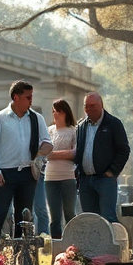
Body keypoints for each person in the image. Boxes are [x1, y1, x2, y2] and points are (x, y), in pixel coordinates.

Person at [0, 80, 52, 263]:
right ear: (16, 97)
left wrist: (39, 153)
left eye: (31, 97)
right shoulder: (0, 118)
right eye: (27, 97)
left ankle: (20, 260)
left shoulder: (36, 118)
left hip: (27, 173)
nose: (31, 101)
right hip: (5, 174)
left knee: (24, 217)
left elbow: (47, 142)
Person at [74, 92, 130, 222]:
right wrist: (78, 171)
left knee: (108, 218)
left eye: (93, 106)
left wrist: (113, 171)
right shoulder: (81, 126)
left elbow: (124, 150)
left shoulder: (113, 124)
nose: (89, 109)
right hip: (85, 181)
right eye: (86, 106)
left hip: (105, 180)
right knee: (90, 220)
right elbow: (79, 150)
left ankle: (114, 242)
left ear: (101, 105)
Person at [44, 99, 79, 237]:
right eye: (53, 111)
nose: (54, 114)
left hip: (68, 177)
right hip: (50, 178)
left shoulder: (73, 131)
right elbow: (45, 153)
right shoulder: (49, 131)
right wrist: (64, 154)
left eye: (56, 111)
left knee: (70, 213)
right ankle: (56, 246)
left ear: (64, 112)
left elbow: (74, 153)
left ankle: (73, 245)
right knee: (54, 217)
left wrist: (53, 154)